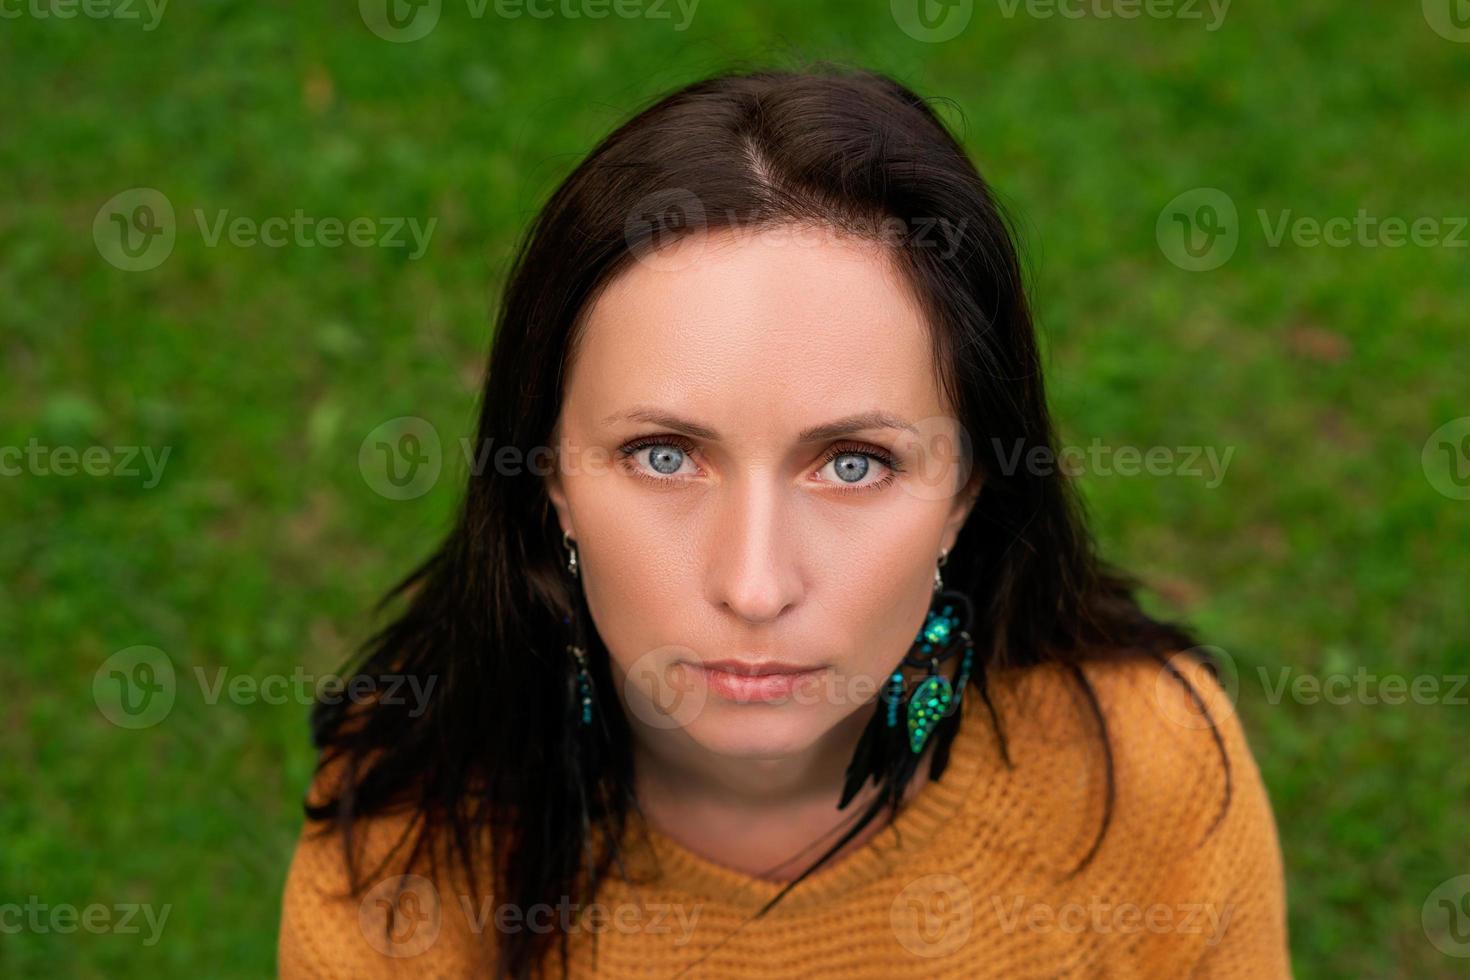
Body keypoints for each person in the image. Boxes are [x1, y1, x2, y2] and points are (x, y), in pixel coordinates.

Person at [277, 65, 1291, 978]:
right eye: (664, 455)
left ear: (967, 493)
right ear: (549, 480)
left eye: (854, 463)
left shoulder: (1149, 773)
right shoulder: (404, 846)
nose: (755, 584)